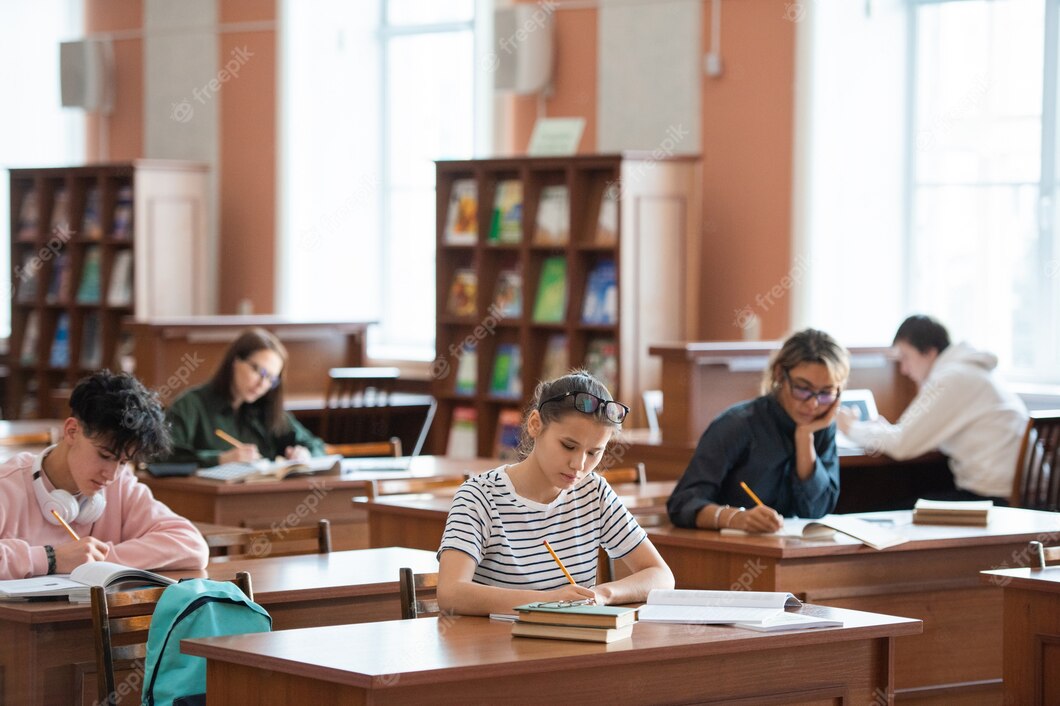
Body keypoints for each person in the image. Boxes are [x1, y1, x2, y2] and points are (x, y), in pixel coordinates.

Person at [437, 371, 674, 616]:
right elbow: (451, 593)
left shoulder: (594, 492)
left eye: (594, 452)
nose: (579, 465)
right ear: (535, 424)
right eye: (568, 446)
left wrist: (601, 595)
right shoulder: (478, 497)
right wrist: (547, 601)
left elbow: (661, 576)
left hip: (572, 644)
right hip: (495, 647)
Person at [0, 371, 209, 580]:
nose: (111, 475)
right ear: (72, 431)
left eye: (124, 462)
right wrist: (50, 559)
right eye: (105, 455)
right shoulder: (7, 484)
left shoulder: (121, 486)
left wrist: (95, 559)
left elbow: (191, 544)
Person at [667, 329, 850, 533]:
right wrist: (735, 518)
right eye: (803, 388)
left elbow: (816, 511)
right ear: (780, 374)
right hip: (731, 552)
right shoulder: (737, 424)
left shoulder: (822, 427)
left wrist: (805, 437)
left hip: (791, 551)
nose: (813, 404)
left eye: (826, 393)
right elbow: (682, 504)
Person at [838, 315, 1028, 504]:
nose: (903, 369)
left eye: (905, 357)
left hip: (993, 498)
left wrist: (851, 427)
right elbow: (906, 437)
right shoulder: (972, 371)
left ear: (929, 352)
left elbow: (901, 445)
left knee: (891, 507)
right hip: (1020, 493)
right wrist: (888, 432)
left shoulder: (950, 378)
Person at [165, 328, 326, 466]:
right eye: (258, 371)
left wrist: (305, 454)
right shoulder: (191, 405)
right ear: (235, 361)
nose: (263, 384)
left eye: (271, 378)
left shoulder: (266, 409)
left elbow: (316, 446)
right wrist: (221, 459)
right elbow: (163, 456)